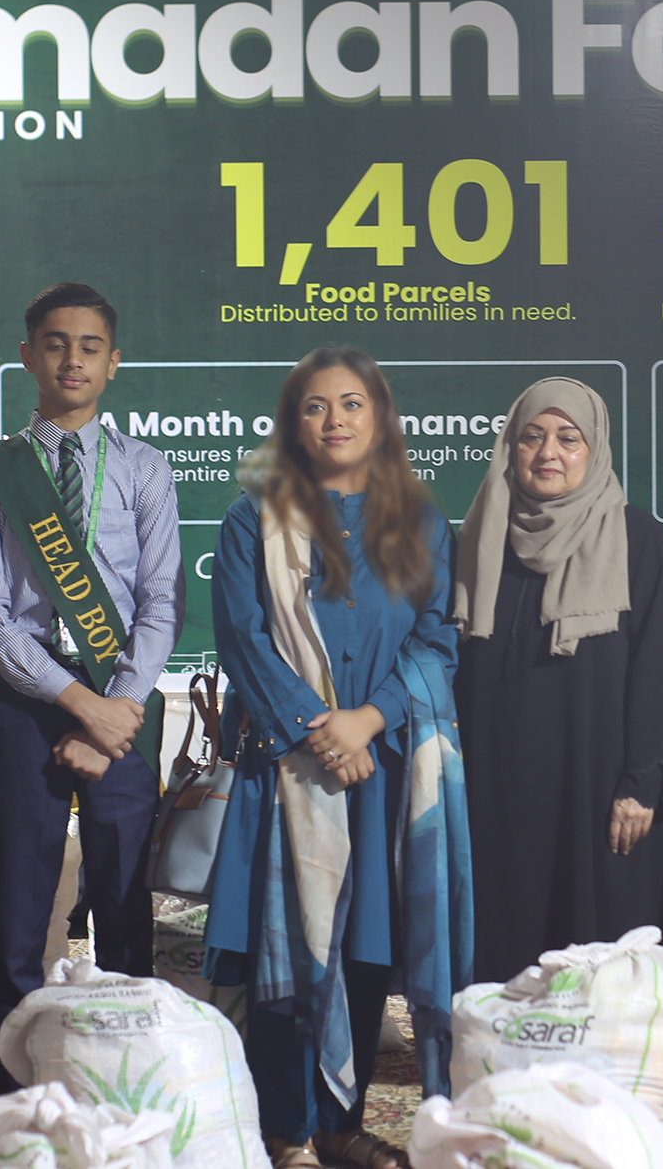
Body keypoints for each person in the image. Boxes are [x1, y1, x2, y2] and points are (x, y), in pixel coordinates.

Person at [206, 348, 467, 1169]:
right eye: (315, 406)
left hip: (381, 766)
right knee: (287, 947)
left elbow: (436, 642)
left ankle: (339, 1123)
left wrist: (366, 722)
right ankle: (284, 1128)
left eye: (352, 404)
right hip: (288, 765)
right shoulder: (253, 518)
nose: (335, 421)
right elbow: (243, 639)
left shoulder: (421, 522)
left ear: (379, 417)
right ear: (294, 423)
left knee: (362, 946)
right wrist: (318, 729)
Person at [0, 282, 183, 1088]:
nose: (72, 360)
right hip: (31, 703)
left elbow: (161, 601)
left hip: (124, 698)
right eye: (55, 344)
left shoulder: (145, 467)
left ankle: (128, 1074)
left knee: (123, 898)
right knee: (19, 899)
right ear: (29, 356)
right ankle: (14, 1090)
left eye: (89, 347)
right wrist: (82, 707)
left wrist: (117, 707)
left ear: (113, 362)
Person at [451, 377, 663, 985]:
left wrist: (642, 782)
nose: (548, 452)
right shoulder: (481, 539)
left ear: (595, 448)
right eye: (531, 437)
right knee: (507, 969)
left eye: (568, 438)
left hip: (603, 796)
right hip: (500, 798)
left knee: (605, 976)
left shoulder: (636, 538)